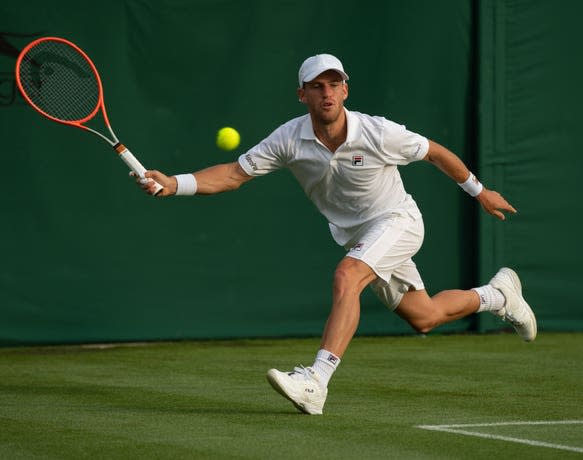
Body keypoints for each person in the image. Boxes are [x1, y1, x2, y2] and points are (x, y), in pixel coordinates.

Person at [136, 54, 536, 416]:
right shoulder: (289, 139)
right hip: (359, 234)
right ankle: (499, 296)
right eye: (317, 86)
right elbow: (233, 175)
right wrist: (174, 183)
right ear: (302, 94)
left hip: (398, 220)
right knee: (425, 316)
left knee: (347, 276)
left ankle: (316, 381)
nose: (326, 93)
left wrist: (479, 192)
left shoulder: (379, 132)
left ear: (345, 89)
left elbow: (435, 152)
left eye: (333, 84)